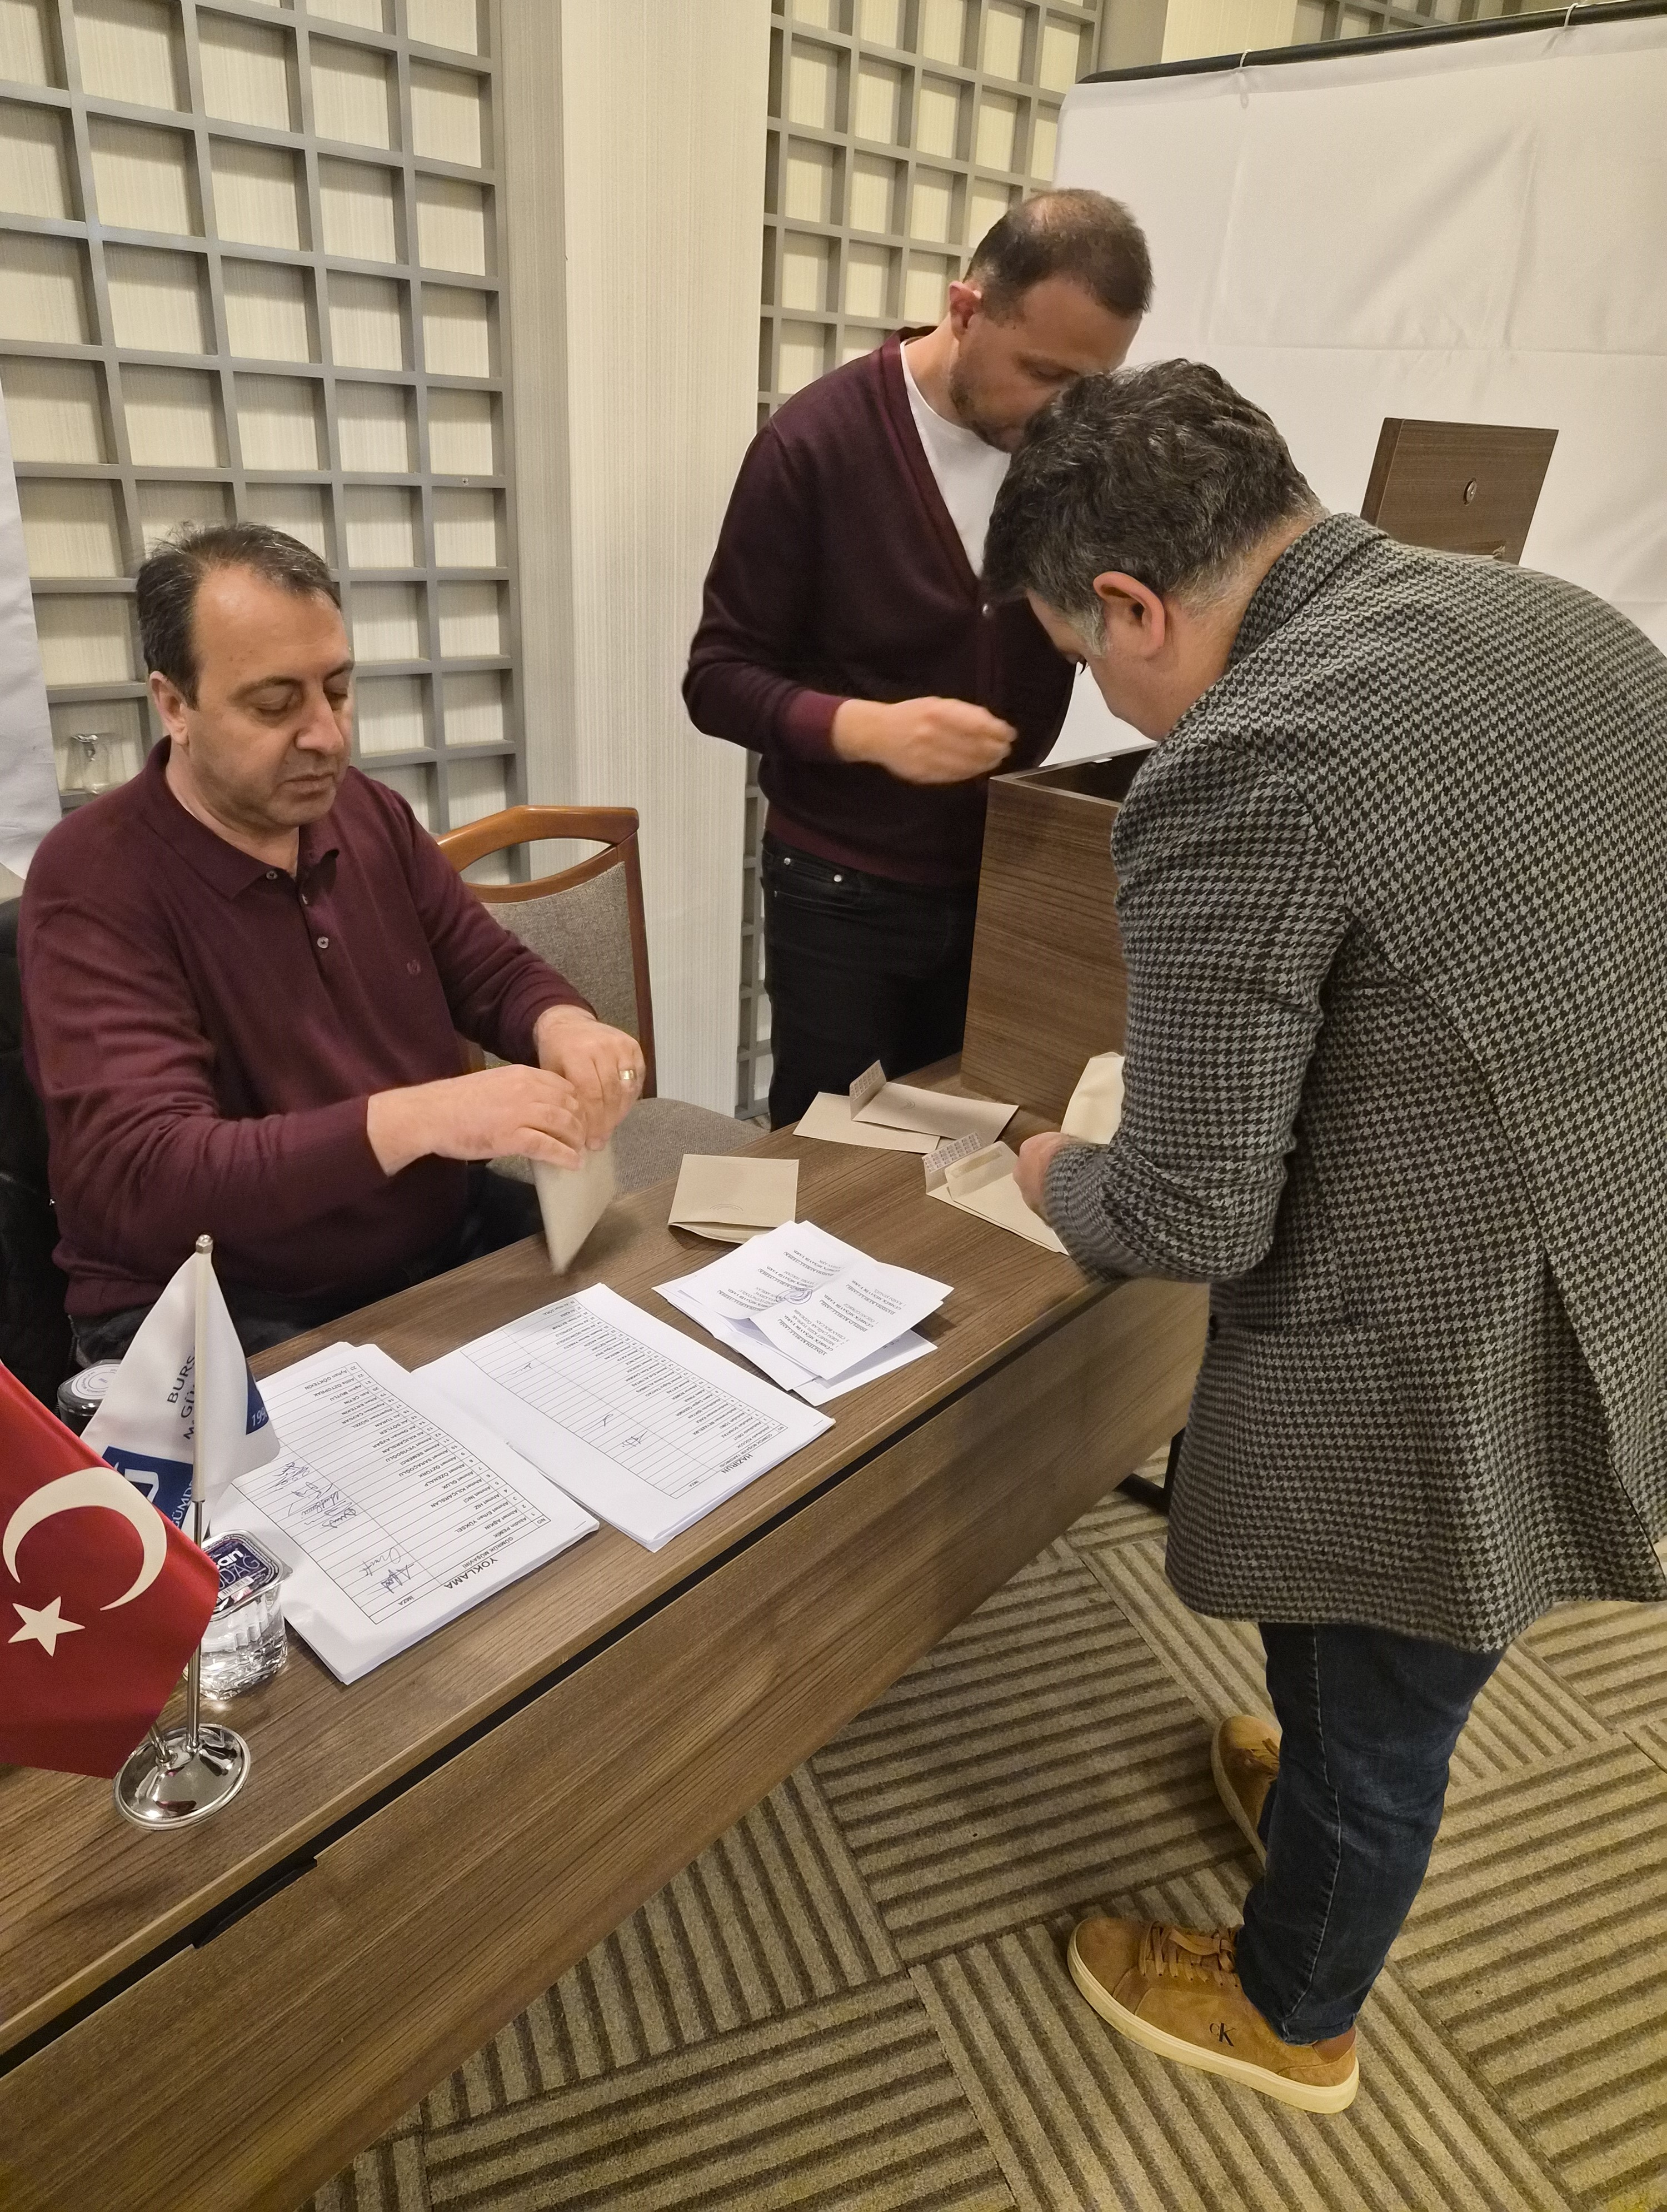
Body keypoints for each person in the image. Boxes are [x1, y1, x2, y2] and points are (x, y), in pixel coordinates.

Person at [988, 363, 1667, 2111]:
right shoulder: (1558, 619)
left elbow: (1191, 1206)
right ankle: (1320, 1800)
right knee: (1394, 1665)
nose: (1105, 698)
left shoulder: (1245, 762)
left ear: (1133, 603)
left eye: (1084, 657)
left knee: (1387, 1684)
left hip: (1435, 1334)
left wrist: (1051, 1170)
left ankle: (1295, 2003)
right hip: (1614, 1232)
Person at [21, 523, 645, 1362]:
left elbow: (488, 969)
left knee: (649, 1338)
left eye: (339, 691)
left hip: (428, 1242)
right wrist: (425, 1116)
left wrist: (563, 1026)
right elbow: (151, 1174)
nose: (327, 736)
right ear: (174, 706)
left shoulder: (367, 814)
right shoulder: (96, 878)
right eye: (275, 705)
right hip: (225, 1296)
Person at [685, 189, 1152, 1125]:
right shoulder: (813, 445)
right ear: (966, 309)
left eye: (1089, 386)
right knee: (831, 1149)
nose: (1063, 413)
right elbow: (718, 678)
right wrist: (868, 730)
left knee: (972, 1139)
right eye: (1043, 373)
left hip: (1006, 871)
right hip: (839, 888)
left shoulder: (1069, 454)